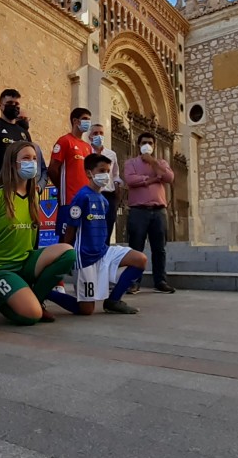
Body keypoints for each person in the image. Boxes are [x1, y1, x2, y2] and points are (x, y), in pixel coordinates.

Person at [0, 141, 75, 324]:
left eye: (34, 159)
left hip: (25, 261)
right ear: (12, 163)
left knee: (67, 253)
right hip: (0, 268)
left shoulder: (33, 195)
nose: (31, 163)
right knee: (30, 316)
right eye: (25, 158)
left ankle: (35, 299)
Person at [60, 153, 146, 315]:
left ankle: (113, 301)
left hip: (103, 251)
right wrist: (68, 254)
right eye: (101, 170)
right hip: (85, 257)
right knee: (86, 310)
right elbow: (71, 228)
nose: (105, 175)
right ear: (89, 173)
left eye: (108, 171)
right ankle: (45, 294)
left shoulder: (104, 200)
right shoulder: (81, 197)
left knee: (139, 260)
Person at [124, 132, 176, 294]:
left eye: (150, 143)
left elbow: (169, 177)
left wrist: (153, 163)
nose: (147, 145)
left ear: (154, 146)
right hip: (138, 210)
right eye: (144, 142)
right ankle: (133, 281)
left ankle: (160, 281)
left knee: (159, 249)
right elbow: (130, 180)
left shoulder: (160, 163)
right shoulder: (131, 163)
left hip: (158, 211)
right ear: (138, 145)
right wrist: (152, 179)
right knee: (136, 248)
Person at [48, 107, 93, 236]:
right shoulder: (64, 141)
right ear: (75, 121)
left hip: (85, 200)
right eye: (84, 119)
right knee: (66, 239)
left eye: (89, 120)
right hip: (69, 200)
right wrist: (62, 187)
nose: (87, 123)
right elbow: (52, 169)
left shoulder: (87, 147)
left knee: (83, 238)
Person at [89, 123, 124, 242]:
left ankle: (105, 254)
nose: (99, 136)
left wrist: (117, 186)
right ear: (90, 137)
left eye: (101, 133)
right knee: (92, 228)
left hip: (108, 195)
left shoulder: (111, 155)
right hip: (92, 194)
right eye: (95, 133)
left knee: (108, 227)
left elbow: (115, 174)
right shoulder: (86, 153)